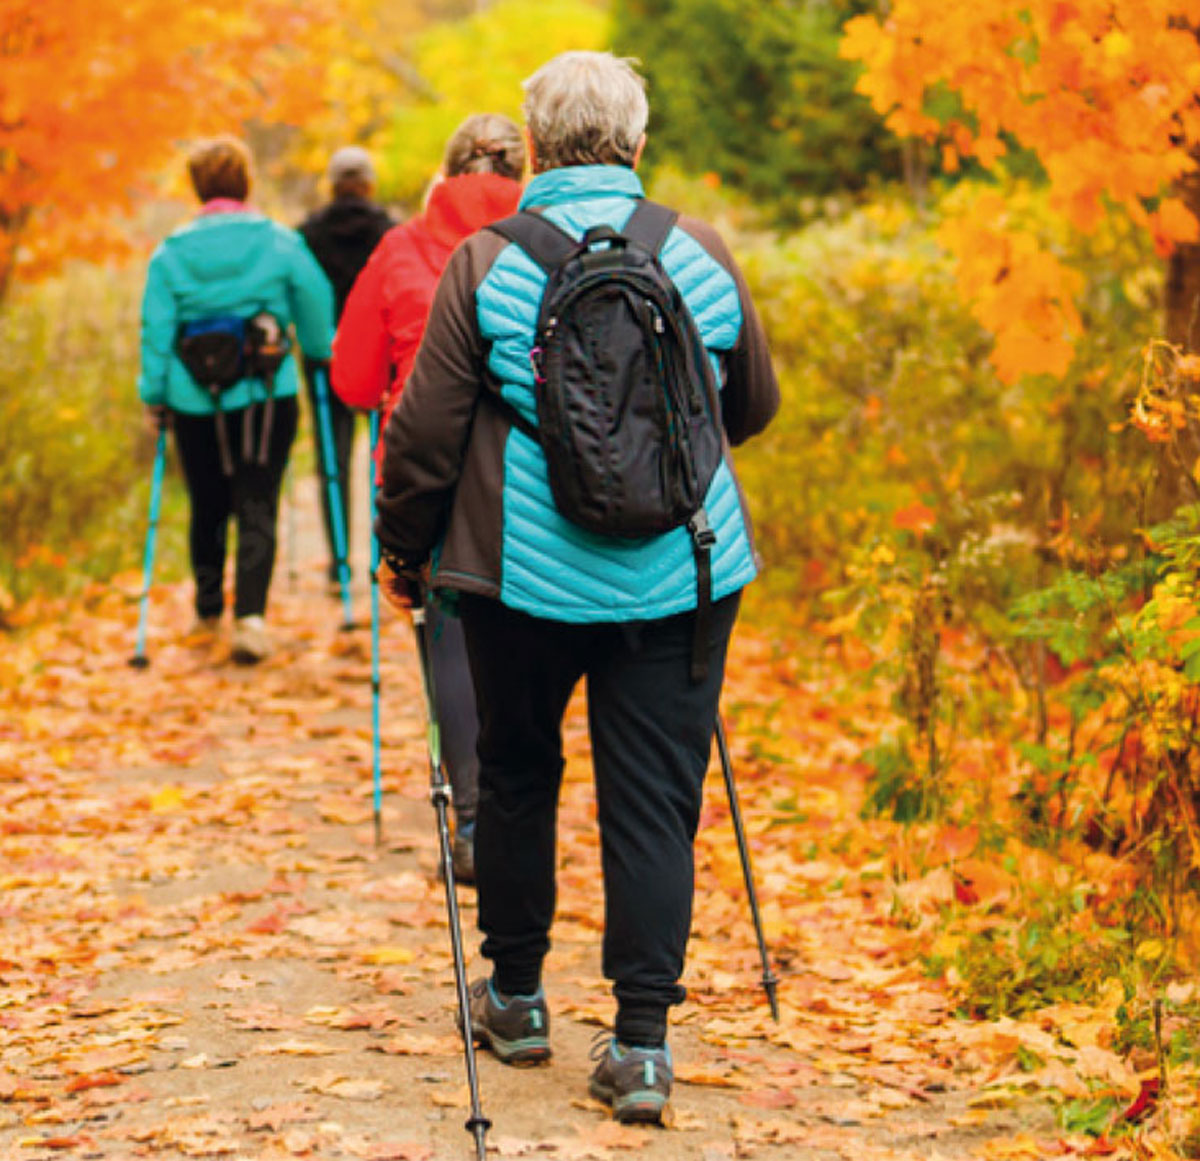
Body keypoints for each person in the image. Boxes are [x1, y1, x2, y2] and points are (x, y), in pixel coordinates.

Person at [374, 51, 779, 1123]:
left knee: (515, 773)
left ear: (538, 148)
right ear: (638, 144)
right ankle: (642, 1047)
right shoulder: (700, 254)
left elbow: (424, 438)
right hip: (684, 572)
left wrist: (405, 556)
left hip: (521, 578)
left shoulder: (485, 264)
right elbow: (749, 408)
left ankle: (514, 998)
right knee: (656, 803)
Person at [332, 114, 525, 884]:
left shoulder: (401, 247)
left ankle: (475, 818)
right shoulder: (552, 238)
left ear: (443, 174)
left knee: (448, 631)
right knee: (529, 641)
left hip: (429, 475)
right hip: (535, 469)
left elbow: (350, 378)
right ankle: (523, 807)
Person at [139, 135, 335, 663]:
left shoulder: (171, 252)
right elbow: (314, 302)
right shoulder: (278, 241)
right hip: (266, 394)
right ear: (245, 182)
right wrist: (318, 350)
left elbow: (156, 329)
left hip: (194, 399)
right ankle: (250, 618)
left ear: (198, 187)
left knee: (208, 502)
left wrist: (154, 395)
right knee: (257, 498)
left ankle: (207, 611)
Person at [298, 146, 393, 590]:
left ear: (332, 185)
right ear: (369, 184)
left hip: (325, 358)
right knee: (383, 457)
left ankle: (339, 565)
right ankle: (385, 557)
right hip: (378, 355)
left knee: (332, 460)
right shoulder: (388, 230)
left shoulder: (307, 234)